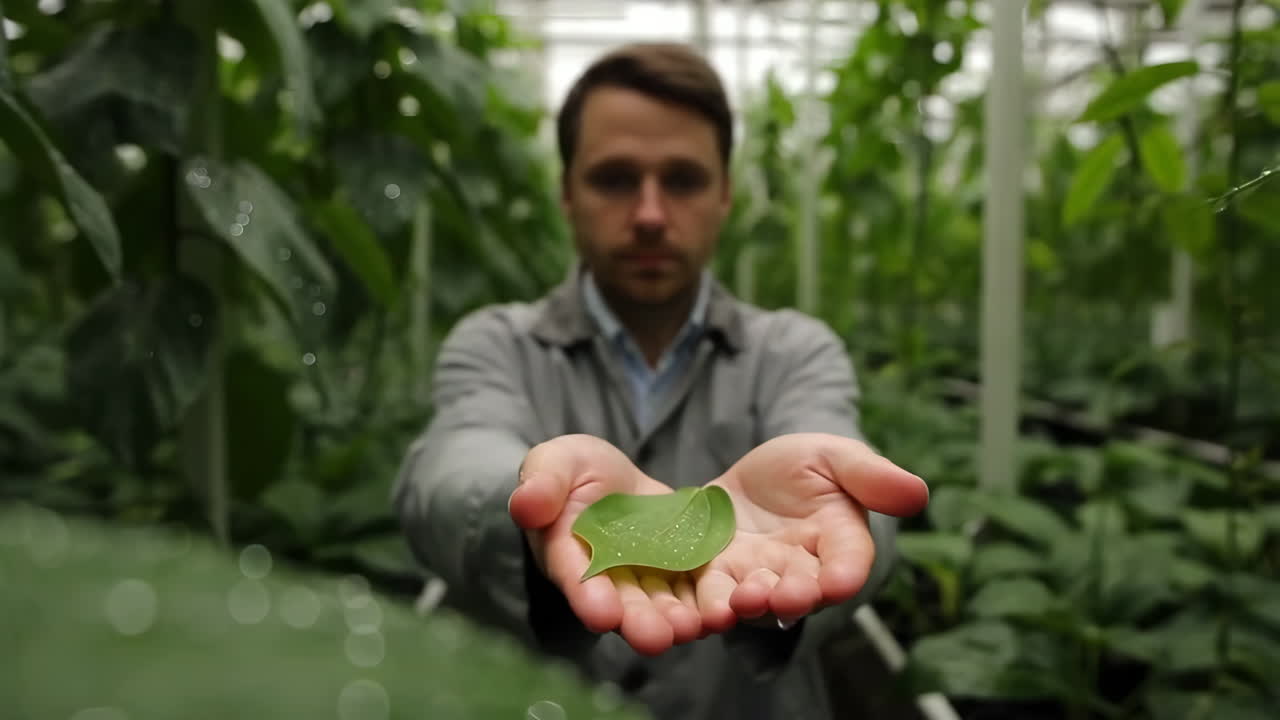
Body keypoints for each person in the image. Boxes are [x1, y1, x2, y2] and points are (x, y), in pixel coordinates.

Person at [392, 42, 929, 720]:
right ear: (566, 194)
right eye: (615, 179)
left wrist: (830, 524)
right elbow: (449, 470)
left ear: (725, 195)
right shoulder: (498, 343)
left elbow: (840, 463)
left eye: (683, 180)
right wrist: (530, 503)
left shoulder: (792, 350)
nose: (649, 214)